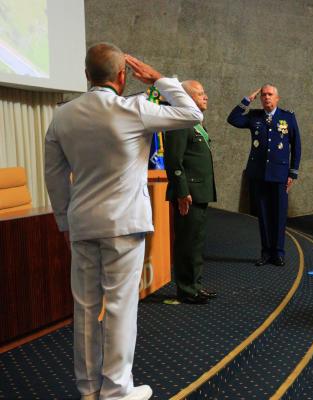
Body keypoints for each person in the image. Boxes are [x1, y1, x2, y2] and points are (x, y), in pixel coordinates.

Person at [44, 43, 203, 400]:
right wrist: (159, 79)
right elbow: (193, 114)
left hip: (82, 223)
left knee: (84, 309)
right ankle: (116, 391)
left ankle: (88, 390)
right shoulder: (134, 109)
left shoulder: (62, 116)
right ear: (121, 76)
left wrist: (64, 222)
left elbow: (54, 176)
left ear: (86, 75)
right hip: (124, 225)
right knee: (119, 308)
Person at [227, 84, 301, 266]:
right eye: (263, 95)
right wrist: (247, 100)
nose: (266, 97)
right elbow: (233, 119)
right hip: (259, 174)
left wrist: (293, 172)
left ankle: (279, 253)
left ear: (277, 98)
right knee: (264, 214)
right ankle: (266, 252)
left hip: (280, 175)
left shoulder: (287, 117)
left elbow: (296, 146)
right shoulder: (254, 116)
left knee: (279, 215)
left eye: (270, 94)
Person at [164, 80, 217, 305]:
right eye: (200, 94)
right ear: (186, 97)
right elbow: (174, 160)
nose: (205, 97)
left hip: (200, 192)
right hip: (188, 194)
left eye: (204, 93)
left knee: (196, 241)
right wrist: (182, 192)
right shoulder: (180, 123)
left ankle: (195, 285)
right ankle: (185, 289)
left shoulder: (195, 123)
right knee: (186, 242)